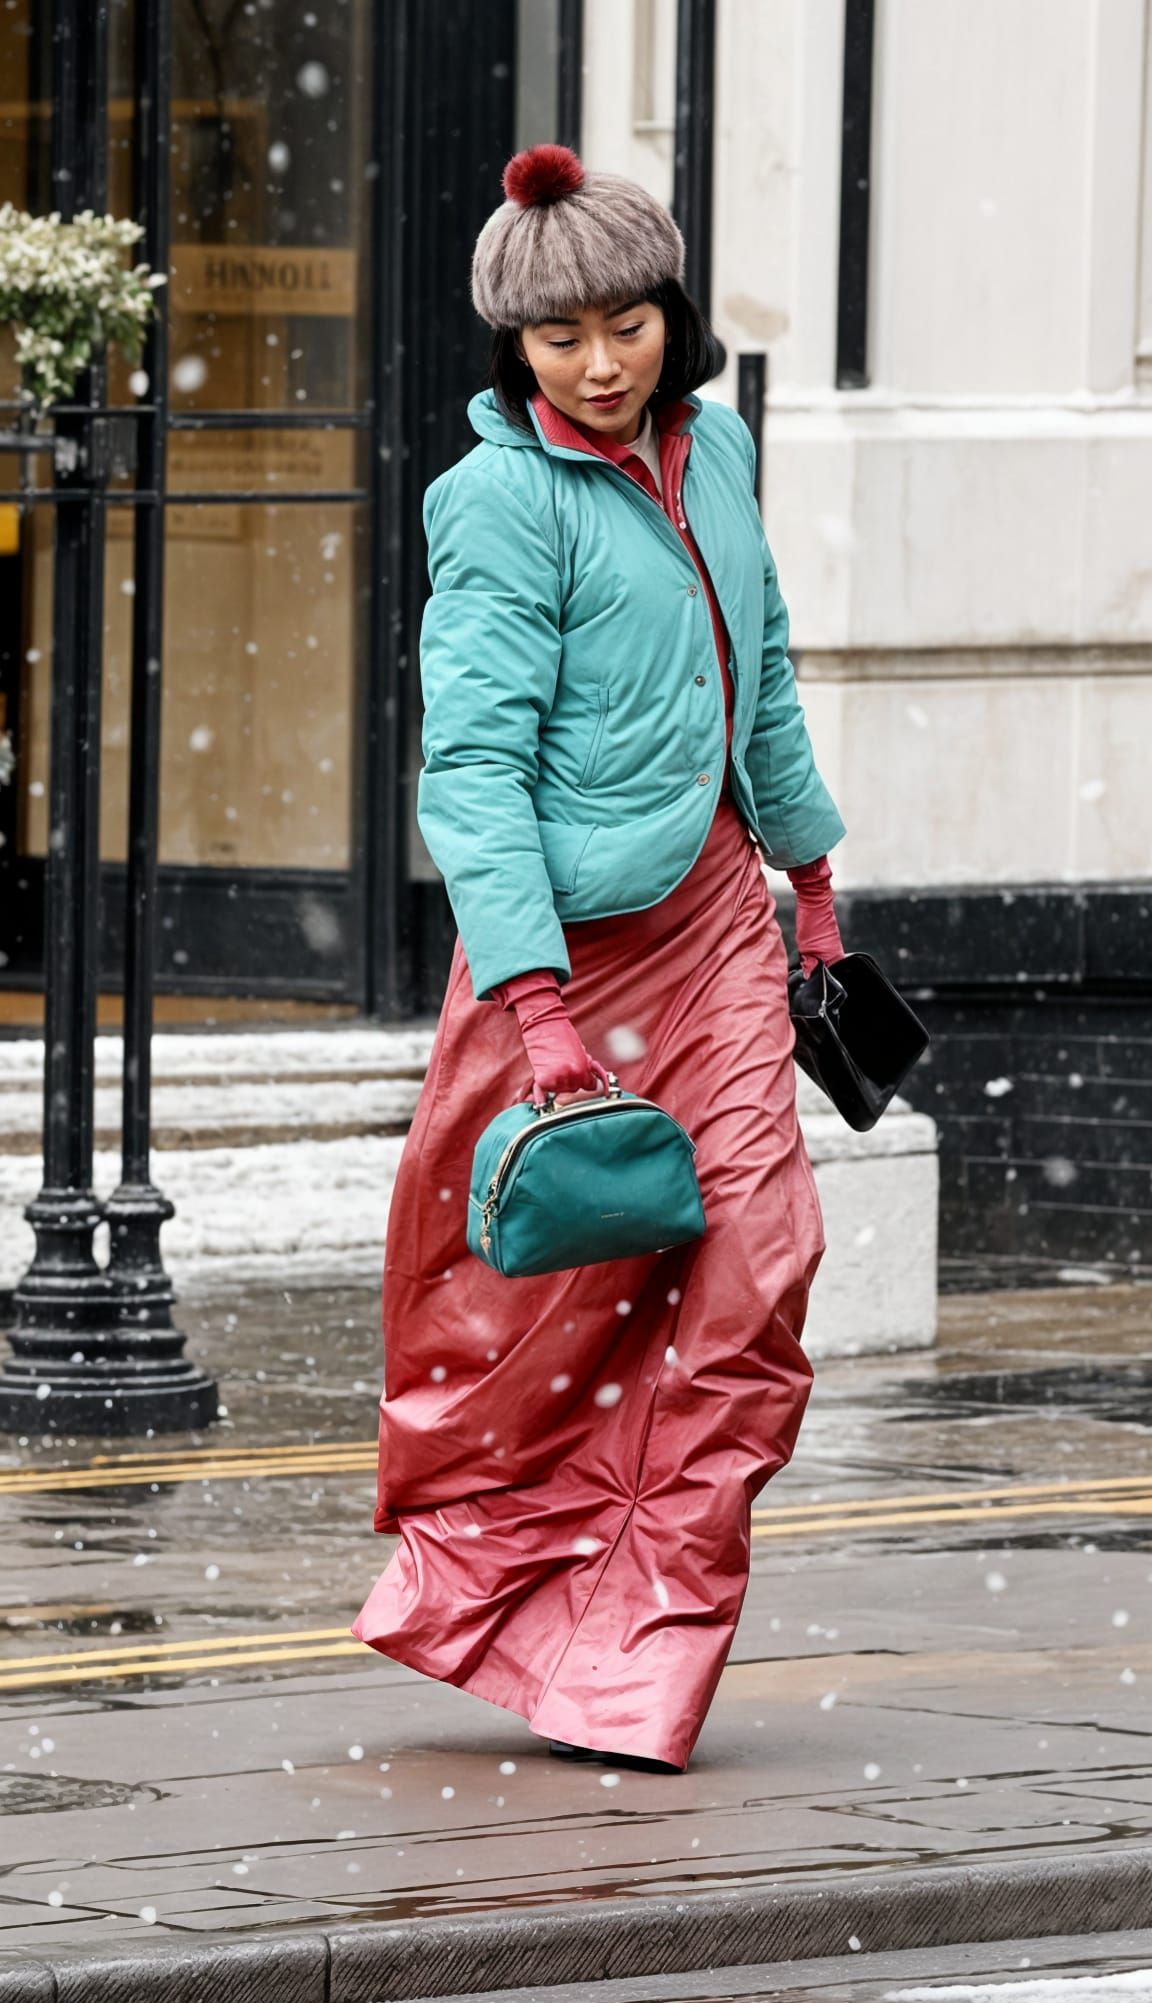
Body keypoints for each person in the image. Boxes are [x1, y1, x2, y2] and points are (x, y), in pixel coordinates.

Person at [352, 143, 848, 1773]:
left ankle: (639, 1643)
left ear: (668, 312)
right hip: (567, 957)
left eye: (625, 322)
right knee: (540, 1315)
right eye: (560, 338)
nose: (600, 360)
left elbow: (758, 664)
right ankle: (518, 1611)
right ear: (517, 349)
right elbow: (471, 773)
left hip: (714, 916)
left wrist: (813, 874)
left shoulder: (719, 455)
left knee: (758, 1268)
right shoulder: (499, 502)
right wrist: (538, 1005)